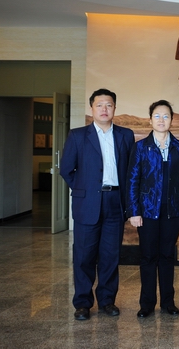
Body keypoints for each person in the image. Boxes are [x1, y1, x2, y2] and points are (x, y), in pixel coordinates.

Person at [60, 88, 135, 320]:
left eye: (109, 105)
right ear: (92, 108)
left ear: (115, 108)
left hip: (115, 200)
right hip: (88, 203)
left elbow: (130, 170)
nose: (104, 109)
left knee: (110, 255)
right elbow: (66, 169)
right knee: (84, 255)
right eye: (99, 104)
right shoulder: (78, 135)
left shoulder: (125, 135)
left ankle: (107, 301)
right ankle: (82, 303)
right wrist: (84, 189)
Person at [127, 100, 179, 318]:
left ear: (171, 120)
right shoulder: (140, 147)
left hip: (173, 211)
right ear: (150, 120)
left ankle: (168, 302)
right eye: (157, 116)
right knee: (148, 256)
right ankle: (146, 304)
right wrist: (134, 211)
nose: (161, 120)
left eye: (166, 116)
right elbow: (133, 180)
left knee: (167, 256)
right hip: (147, 211)